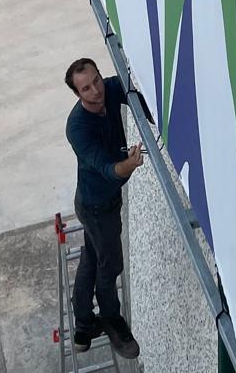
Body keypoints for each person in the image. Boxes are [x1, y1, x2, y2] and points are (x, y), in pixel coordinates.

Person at [65, 57, 144, 359]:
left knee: (92, 259)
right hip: (97, 208)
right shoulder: (78, 128)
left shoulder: (108, 89)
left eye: (96, 80)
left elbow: (133, 90)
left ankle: (83, 328)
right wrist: (131, 163)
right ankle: (112, 320)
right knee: (110, 267)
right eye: (86, 88)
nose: (96, 90)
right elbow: (109, 170)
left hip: (97, 203)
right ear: (77, 94)